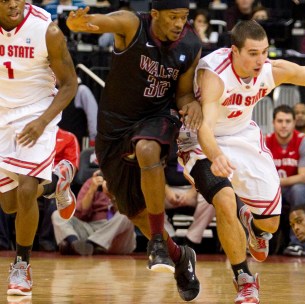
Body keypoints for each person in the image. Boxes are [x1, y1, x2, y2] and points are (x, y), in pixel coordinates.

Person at [178, 20, 305, 304]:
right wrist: (216, 156)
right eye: (254, 53)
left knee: (270, 224)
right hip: (201, 140)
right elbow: (205, 127)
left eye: (265, 51)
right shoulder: (215, 74)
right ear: (234, 51)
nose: (261, 60)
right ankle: (244, 279)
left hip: (242, 135)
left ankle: (256, 229)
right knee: (224, 200)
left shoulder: (271, 70)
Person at [66, 1, 202, 301]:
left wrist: (190, 102)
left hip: (157, 117)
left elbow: (182, 93)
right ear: (155, 14)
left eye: (184, 17)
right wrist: (80, 25)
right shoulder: (132, 24)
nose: (180, 23)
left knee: (147, 147)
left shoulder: (191, 44)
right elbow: (105, 21)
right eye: (173, 17)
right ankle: (180, 256)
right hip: (114, 126)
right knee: (130, 210)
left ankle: (156, 240)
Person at [0, 0, 78, 297]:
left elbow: (70, 83)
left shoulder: (47, 30)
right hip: (2, 116)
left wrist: (44, 121)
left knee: (26, 187)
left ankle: (21, 266)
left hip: (37, 114)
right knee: (10, 205)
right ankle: (59, 179)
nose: (13, 4)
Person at [265, 105, 305, 256]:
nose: (284, 125)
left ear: (294, 123)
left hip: (292, 188)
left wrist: (274, 182)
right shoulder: (264, 141)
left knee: (299, 189)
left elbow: (304, 177)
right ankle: (258, 241)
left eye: (288, 121)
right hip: (271, 189)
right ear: (273, 122)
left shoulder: (304, 142)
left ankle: (298, 244)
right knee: (255, 191)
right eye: (280, 121)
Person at [52, 170, 137, 256]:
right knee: (58, 214)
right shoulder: (91, 182)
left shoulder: (125, 184)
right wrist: (91, 190)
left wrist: (112, 196)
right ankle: (75, 243)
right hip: (92, 228)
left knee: (126, 215)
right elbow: (81, 214)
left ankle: (87, 245)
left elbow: (129, 211)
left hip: (116, 236)